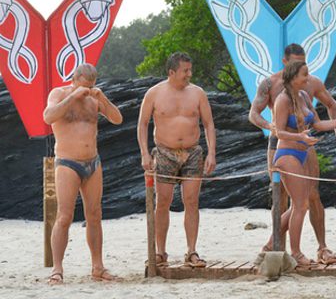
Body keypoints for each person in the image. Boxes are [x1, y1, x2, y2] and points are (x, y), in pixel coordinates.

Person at [249, 43, 336, 264]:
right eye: (295, 62)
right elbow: (253, 113)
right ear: (285, 62)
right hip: (281, 143)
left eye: (303, 61)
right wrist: (269, 125)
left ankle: (322, 247)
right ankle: (276, 248)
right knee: (280, 198)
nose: (300, 66)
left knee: (312, 196)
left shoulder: (310, 84)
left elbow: (331, 104)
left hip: (306, 144)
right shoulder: (270, 84)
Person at [270, 60, 336, 265]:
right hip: (287, 154)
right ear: (294, 78)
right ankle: (295, 252)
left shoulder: (303, 95)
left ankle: (271, 243)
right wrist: (299, 138)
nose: (308, 78)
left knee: (301, 203)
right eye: (305, 74)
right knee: (301, 205)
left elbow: (318, 124)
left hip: (304, 151)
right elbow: (278, 131)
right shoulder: (283, 100)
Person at [43, 64, 123, 284]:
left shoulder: (93, 99)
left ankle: (98, 267)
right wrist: (73, 96)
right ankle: (57, 269)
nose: (88, 89)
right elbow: (48, 117)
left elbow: (117, 119)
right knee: (64, 216)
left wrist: (102, 98)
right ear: (74, 79)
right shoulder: (59, 94)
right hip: (67, 162)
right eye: (84, 85)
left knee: (95, 215)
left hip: (92, 162)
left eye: (92, 85)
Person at [137, 52, 216, 268]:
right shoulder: (154, 93)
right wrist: (144, 153)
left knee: (192, 201)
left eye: (190, 70)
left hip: (192, 152)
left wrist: (211, 153)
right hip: (164, 152)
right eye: (185, 71)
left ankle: (192, 251)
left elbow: (208, 124)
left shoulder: (198, 93)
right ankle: (160, 252)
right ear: (172, 72)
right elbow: (142, 124)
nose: (189, 74)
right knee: (163, 201)